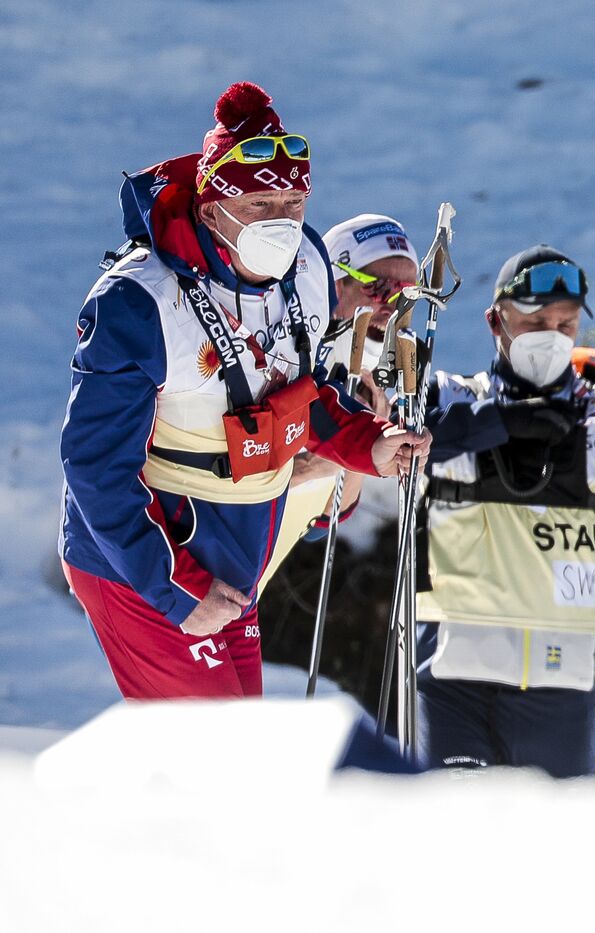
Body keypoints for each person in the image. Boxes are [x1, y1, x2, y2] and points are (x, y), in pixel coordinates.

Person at [59, 82, 430, 701]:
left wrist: (373, 442)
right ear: (211, 209)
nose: (281, 222)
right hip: (147, 561)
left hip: (236, 556)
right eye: (260, 205)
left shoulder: (306, 270)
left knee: (235, 763)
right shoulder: (139, 301)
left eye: (293, 203)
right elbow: (94, 469)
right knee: (211, 771)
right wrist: (173, 584)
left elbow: (301, 396)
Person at [412, 246, 595, 778]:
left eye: (565, 323)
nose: (552, 334)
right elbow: (390, 449)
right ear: (497, 320)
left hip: (560, 689)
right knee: (450, 846)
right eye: (535, 321)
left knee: (553, 857)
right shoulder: (447, 397)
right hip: (452, 682)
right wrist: (501, 421)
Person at [257, 213, 416, 595]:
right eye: (378, 288)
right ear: (333, 282)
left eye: (406, 295)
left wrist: (360, 448)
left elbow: (326, 518)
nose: (391, 307)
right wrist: (314, 466)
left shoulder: (376, 376)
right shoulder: (281, 350)